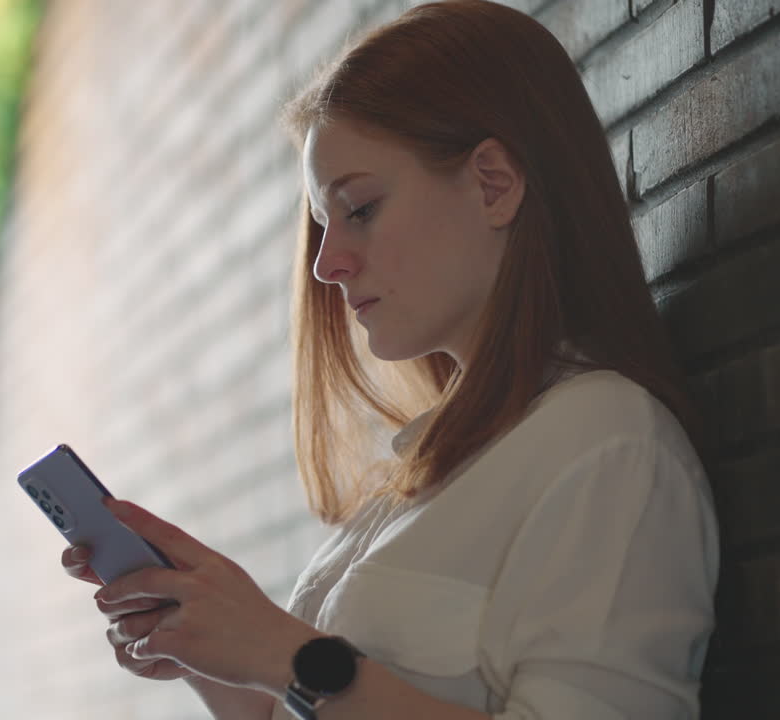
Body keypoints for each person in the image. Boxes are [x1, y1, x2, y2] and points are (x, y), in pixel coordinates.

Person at [61, 1, 720, 718]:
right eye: (322, 222)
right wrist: (210, 643)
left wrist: (281, 652)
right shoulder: (421, 475)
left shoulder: (610, 446)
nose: (326, 264)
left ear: (493, 184)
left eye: (361, 208)